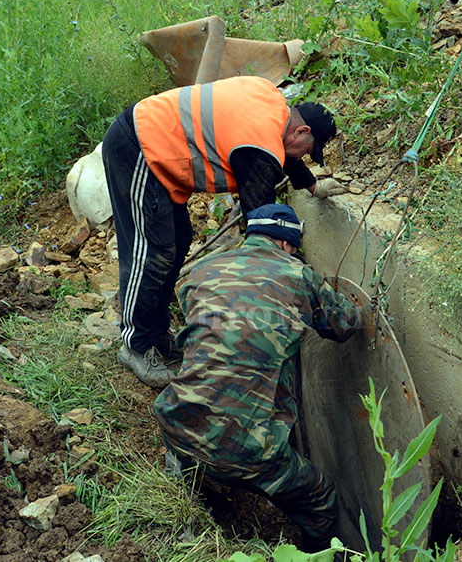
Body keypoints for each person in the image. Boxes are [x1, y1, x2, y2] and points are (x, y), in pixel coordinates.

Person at [101, 75, 347, 388]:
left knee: (176, 242)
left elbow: (281, 150)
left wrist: (312, 185)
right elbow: (259, 224)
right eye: (307, 151)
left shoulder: (272, 105)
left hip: (158, 143)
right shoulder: (259, 144)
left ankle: (156, 335)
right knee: (151, 251)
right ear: (302, 130)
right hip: (138, 147)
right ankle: (135, 346)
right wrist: (293, 270)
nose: (302, 157)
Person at [153, 203, 363, 552]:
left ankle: (188, 471)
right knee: (321, 498)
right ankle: (314, 557)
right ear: (285, 243)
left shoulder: (200, 272)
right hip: (246, 454)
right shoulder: (298, 276)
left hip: (177, 425)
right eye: (293, 248)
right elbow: (345, 324)